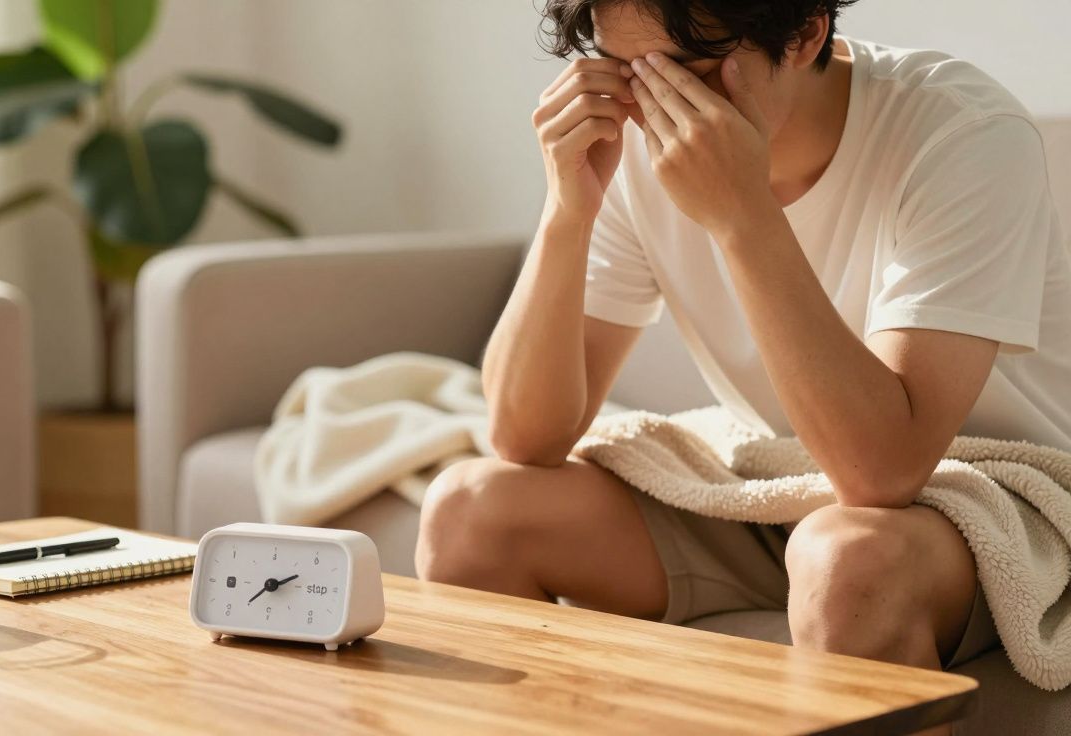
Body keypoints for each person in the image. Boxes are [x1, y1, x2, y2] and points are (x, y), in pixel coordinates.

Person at [415, 2, 1070, 732]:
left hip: (997, 497)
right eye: (625, 70)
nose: (654, 103)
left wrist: (743, 213)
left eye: (687, 72)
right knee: (471, 510)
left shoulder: (963, 133)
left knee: (849, 560)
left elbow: (883, 474)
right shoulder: (635, 135)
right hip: (782, 482)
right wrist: (569, 208)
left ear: (805, 34)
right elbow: (522, 438)